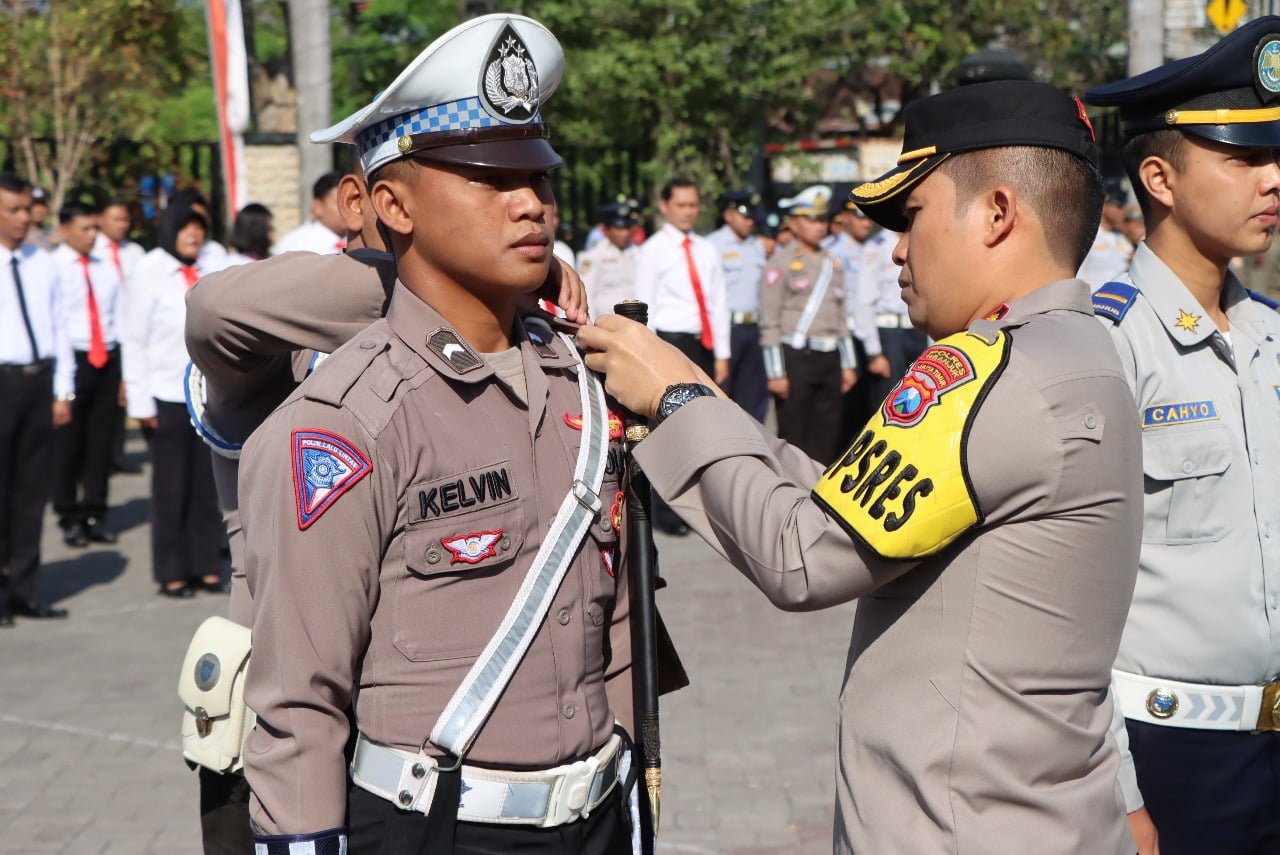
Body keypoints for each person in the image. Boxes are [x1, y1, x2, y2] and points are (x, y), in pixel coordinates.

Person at [578, 79, 1142, 853]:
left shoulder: (988, 371)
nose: (898, 249)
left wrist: (674, 401)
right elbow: (845, 506)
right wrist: (704, 399)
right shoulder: (1080, 351)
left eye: (910, 217)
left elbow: (801, 552)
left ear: (999, 213)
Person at [237, 15, 635, 854]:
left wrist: (636, 782)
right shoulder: (347, 420)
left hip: (599, 809)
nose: (532, 202)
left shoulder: (585, 379)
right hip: (438, 828)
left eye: (538, 176)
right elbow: (298, 699)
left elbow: (620, 617)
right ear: (392, 204)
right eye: (489, 179)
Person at [1084, 18, 1280, 854]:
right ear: (1160, 177)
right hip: (1170, 757)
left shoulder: (1272, 334)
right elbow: (1069, 608)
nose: (1274, 180)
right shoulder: (1105, 347)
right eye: (1244, 159)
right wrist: (1119, 792)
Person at [122, 202, 226, 598]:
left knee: (206, 486)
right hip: (165, 394)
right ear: (170, 231)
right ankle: (172, 571)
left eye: (199, 229)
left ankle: (205, 565)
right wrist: (140, 404)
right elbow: (135, 340)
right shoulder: (148, 276)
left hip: (208, 393)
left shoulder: (210, 269)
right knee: (171, 488)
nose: (193, 236)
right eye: (186, 229)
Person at [0, 173, 73, 625]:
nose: (25, 218)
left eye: (27, 210)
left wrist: (62, 389)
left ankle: (25, 589)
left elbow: (59, 326)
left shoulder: (41, 261)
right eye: (14, 210)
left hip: (38, 381)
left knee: (31, 492)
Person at [759, 185, 858, 463]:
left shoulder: (833, 262)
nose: (819, 226)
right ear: (793, 222)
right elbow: (770, 321)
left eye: (822, 220)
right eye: (811, 220)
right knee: (794, 433)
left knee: (827, 431)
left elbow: (841, 317)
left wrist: (848, 364)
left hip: (829, 358)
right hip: (796, 358)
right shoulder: (781, 263)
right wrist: (776, 372)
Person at [51, 202, 122, 547]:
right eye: (85, 229)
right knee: (69, 443)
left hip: (106, 356)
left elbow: (118, 314)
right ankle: (68, 514)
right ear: (65, 230)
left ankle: (96, 511)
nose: (93, 236)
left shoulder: (104, 266)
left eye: (95, 228)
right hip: (73, 357)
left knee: (100, 441)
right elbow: (54, 323)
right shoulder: (53, 268)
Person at [707, 189, 769, 421]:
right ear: (729, 215)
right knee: (722, 393)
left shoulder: (757, 245)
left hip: (754, 326)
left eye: (752, 217)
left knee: (753, 398)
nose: (750, 221)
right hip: (727, 329)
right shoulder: (712, 245)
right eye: (744, 216)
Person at [577, 196, 640, 313]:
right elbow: (587, 295)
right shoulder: (592, 257)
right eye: (618, 228)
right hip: (607, 323)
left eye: (627, 227)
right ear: (606, 230)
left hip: (637, 322)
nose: (624, 233)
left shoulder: (639, 253)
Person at [272, 171, 346, 255]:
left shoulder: (359, 243)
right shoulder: (295, 249)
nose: (350, 209)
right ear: (317, 206)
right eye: (340, 203)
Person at [1076, 181, 1134, 287]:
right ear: (1104, 204)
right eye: (1119, 205)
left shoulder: (1122, 238)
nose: (1123, 210)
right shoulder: (1087, 235)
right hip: (1089, 300)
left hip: (1116, 300)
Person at [94, 200, 145, 282]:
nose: (123, 225)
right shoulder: (91, 250)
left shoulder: (135, 251)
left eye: (125, 219)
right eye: (117, 219)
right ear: (99, 220)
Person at [23, 186, 53, 251]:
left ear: (48, 208)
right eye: (33, 205)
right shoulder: (17, 234)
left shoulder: (53, 235)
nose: (38, 210)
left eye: (42, 205)